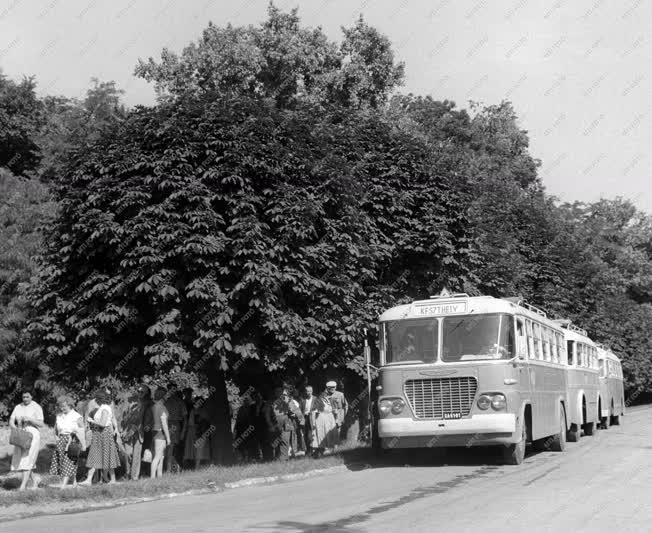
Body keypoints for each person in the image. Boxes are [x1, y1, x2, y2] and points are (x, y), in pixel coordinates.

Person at [80, 390, 120, 485]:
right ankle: (89, 480)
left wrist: (91, 420)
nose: (95, 401)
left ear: (99, 399)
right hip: (98, 434)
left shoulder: (105, 408)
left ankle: (112, 480)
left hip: (104, 434)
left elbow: (102, 424)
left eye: (96, 399)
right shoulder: (102, 407)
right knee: (95, 456)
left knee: (107, 457)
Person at [9, 391, 44, 490]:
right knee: (22, 459)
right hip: (20, 434)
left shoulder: (36, 407)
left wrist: (30, 419)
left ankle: (22, 486)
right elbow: (11, 420)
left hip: (32, 434)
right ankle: (35, 480)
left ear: (32, 396)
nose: (25, 399)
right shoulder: (18, 407)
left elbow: (41, 424)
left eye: (27, 397)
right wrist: (14, 427)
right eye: (23, 397)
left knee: (28, 458)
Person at [49, 395, 85, 489]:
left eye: (64, 406)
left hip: (72, 440)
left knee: (68, 462)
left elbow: (82, 429)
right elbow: (55, 429)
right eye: (60, 406)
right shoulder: (59, 416)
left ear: (70, 405)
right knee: (63, 462)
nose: (62, 408)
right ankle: (74, 483)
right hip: (61, 440)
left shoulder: (76, 416)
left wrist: (80, 441)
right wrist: (56, 438)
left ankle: (63, 486)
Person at [120, 384, 152, 480]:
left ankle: (134, 476)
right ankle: (128, 472)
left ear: (146, 393)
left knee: (137, 455)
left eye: (142, 392)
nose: (139, 393)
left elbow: (149, 419)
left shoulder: (149, 404)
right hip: (128, 431)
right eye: (138, 391)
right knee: (128, 453)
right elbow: (124, 416)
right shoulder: (131, 401)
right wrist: (122, 429)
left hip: (139, 432)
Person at [262, 387, 294, 461]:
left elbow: (292, 411)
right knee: (275, 441)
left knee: (285, 439)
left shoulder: (287, 400)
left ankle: (284, 458)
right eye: (277, 391)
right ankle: (276, 457)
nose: (279, 393)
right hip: (275, 423)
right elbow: (266, 414)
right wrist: (270, 425)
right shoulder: (270, 402)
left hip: (286, 421)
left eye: (280, 392)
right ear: (275, 393)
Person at [164, 386, 187, 473]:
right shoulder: (167, 401)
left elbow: (185, 418)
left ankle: (170, 469)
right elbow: (185, 417)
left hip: (172, 424)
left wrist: (183, 431)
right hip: (170, 424)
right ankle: (171, 468)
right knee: (170, 447)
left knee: (171, 447)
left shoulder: (178, 402)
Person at [311, 386, 338, 457]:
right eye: (325, 392)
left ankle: (331, 448)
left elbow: (334, 408)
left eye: (327, 392)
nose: (326, 393)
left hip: (330, 418)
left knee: (330, 432)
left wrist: (335, 413)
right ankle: (322, 449)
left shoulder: (331, 399)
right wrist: (313, 421)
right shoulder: (318, 400)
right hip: (321, 418)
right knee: (322, 433)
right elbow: (314, 410)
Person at [183, 399, 211, 469]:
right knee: (199, 449)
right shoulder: (200, 411)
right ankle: (197, 466)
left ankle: (198, 466)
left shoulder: (199, 411)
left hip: (199, 432)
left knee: (199, 449)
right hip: (199, 432)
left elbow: (191, 423)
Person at [150, 388, 171, 478]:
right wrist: (168, 438)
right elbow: (164, 424)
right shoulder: (162, 407)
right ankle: (152, 478)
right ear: (163, 396)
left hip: (154, 433)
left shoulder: (154, 406)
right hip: (160, 434)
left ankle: (159, 476)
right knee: (158, 456)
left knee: (160, 456)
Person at [326, 380, 348, 446]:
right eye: (330, 387)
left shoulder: (340, 394)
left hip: (338, 414)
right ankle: (329, 445)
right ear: (327, 388)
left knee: (337, 430)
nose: (332, 389)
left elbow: (346, 405)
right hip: (328, 414)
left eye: (334, 387)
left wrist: (343, 415)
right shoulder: (325, 395)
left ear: (336, 387)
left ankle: (335, 446)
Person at [299, 385, 318, 456]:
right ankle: (308, 451)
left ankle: (312, 450)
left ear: (312, 391)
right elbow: (299, 410)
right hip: (305, 418)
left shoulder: (316, 399)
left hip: (312, 418)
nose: (308, 392)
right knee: (305, 435)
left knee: (311, 435)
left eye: (310, 391)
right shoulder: (302, 399)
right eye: (307, 391)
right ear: (305, 391)